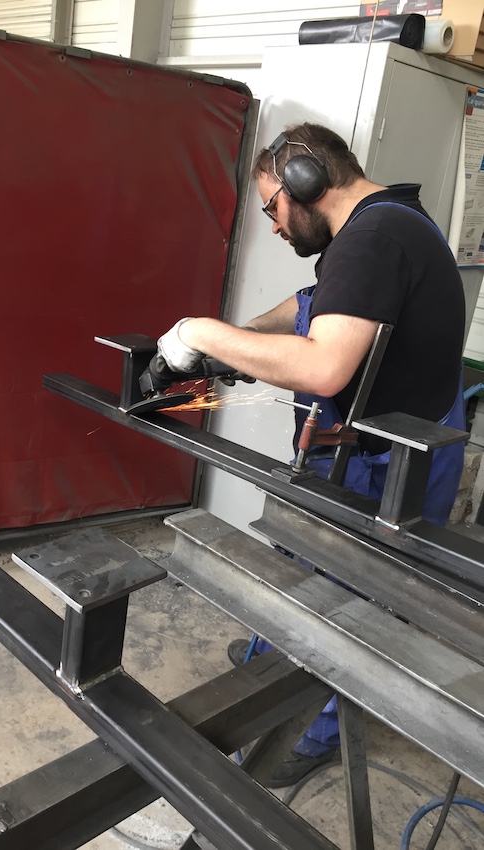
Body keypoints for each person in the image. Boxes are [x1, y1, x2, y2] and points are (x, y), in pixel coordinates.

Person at [155, 122, 466, 787]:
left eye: (272, 207)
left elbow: (324, 365)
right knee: (303, 567)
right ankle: (273, 660)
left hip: (388, 462)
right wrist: (237, 339)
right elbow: (313, 306)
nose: (274, 226)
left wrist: (197, 331)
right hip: (364, 444)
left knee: (344, 599)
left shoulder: (374, 239)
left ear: (305, 182)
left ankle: (308, 729)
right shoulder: (384, 224)